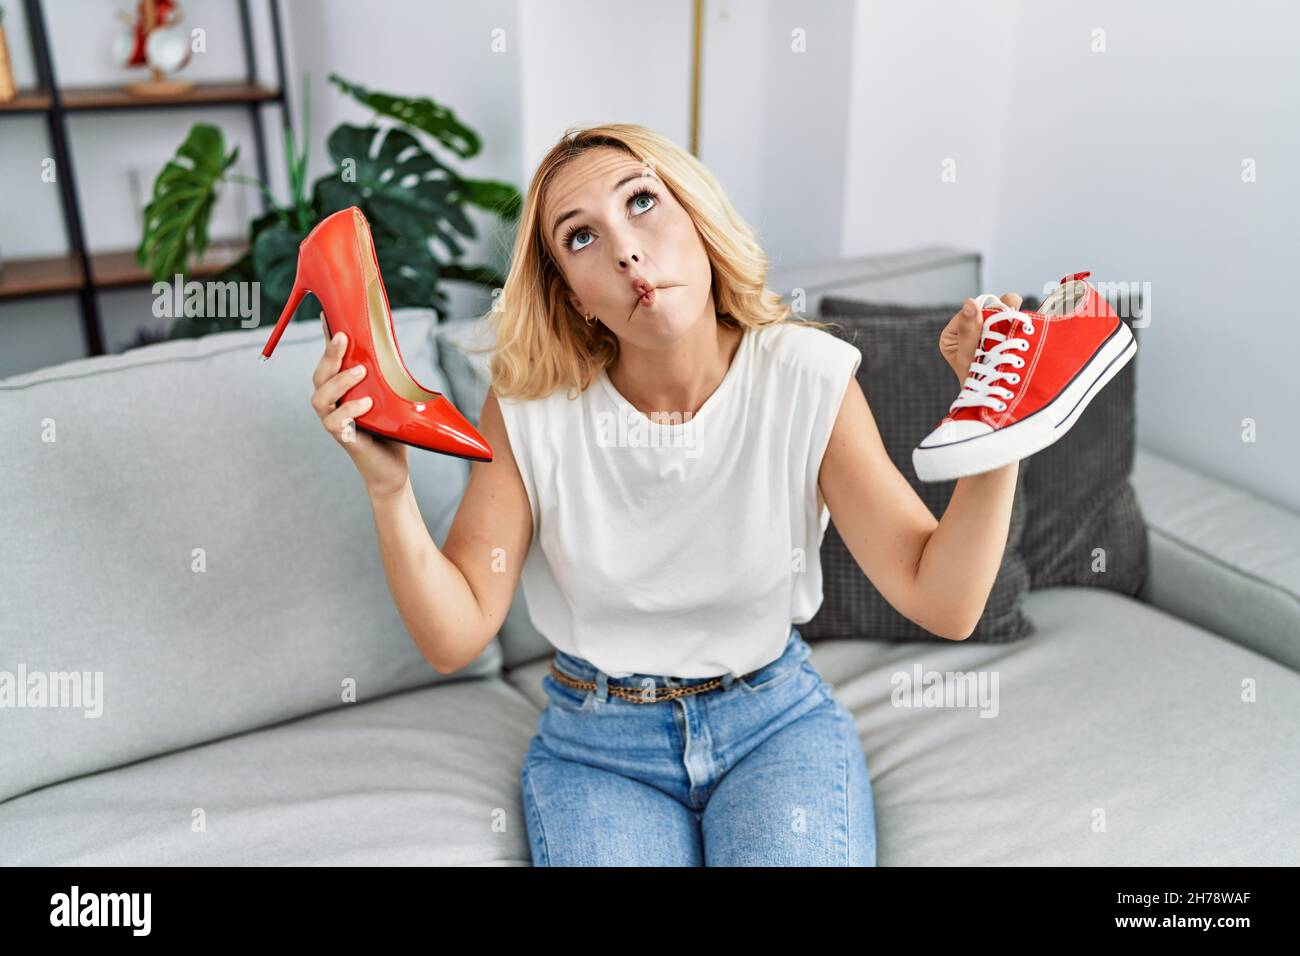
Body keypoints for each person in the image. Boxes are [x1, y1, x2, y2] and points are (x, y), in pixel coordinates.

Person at [307, 123, 1022, 866]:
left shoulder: (806, 377)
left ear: (699, 220)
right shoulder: (531, 406)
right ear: (574, 297)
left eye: (641, 200)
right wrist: (388, 488)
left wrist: (999, 428)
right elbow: (454, 637)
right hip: (597, 749)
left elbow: (944, 600)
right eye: (580, 238)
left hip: (774, 726)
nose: (623, 249)